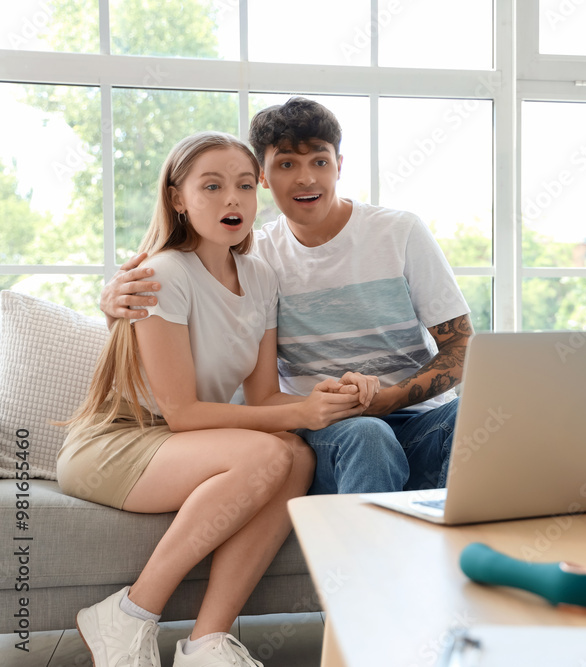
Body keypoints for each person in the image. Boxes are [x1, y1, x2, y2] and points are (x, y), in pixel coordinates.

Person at [59, 131, 377, 667]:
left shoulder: (259, 277)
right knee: (272, 450)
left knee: (295, 455)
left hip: (181, 440)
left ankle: (207, 642)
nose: (233, 200)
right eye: (212, 186)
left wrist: (321, 398)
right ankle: (131, 612)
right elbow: (181, 412)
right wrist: (298, 414)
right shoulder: (162, 274)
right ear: (178, 198)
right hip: (119, 442)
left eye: (245, 186)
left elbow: (266, 396)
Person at [100, 97, 473, 497]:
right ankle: (367, 556)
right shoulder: (253, 258)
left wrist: (387, 399)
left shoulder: (399, 233)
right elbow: (190, 312)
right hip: (330, 433)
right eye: (286, 164)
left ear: (339, 166)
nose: (306, 179)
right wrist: (112, 303)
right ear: (262, 176)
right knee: (368, 434)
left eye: (320, 161)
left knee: (480, 415)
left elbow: (462, 346)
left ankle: (484, 555)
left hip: (422, 423)